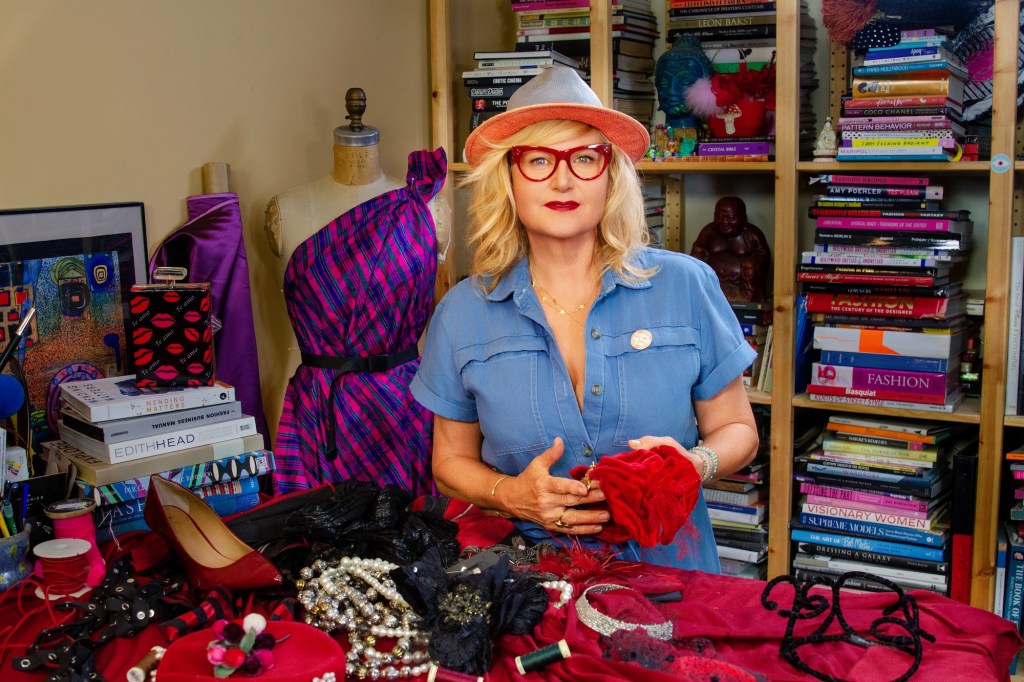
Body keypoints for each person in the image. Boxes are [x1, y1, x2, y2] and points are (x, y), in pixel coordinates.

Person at [410, 67, 759, 573]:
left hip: (676, 577)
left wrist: (693, 465)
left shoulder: (687, 286)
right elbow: (448, 464)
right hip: (529, 585)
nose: (563, 178)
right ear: (509, 178)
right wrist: (511, 494)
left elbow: (737, 430)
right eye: (537, 160)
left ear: (610, 175)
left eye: (584, 158)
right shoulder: (463, 312)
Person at [265, 89, 446, 496]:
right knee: (319, 543)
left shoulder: (425, 208)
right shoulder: (286, 208)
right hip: (319, 409)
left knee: (409, 538)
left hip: (402, 409)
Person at [690, 196, 772, 303]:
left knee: (750, 267)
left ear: (744, 219)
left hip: (740, 286)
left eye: (731, 218)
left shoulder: (752, 234)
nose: (725, 222)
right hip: (713, 284)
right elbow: (697, 252)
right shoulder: (709, 232)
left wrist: (752, 262)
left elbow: (763, 255)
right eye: (720, 217)